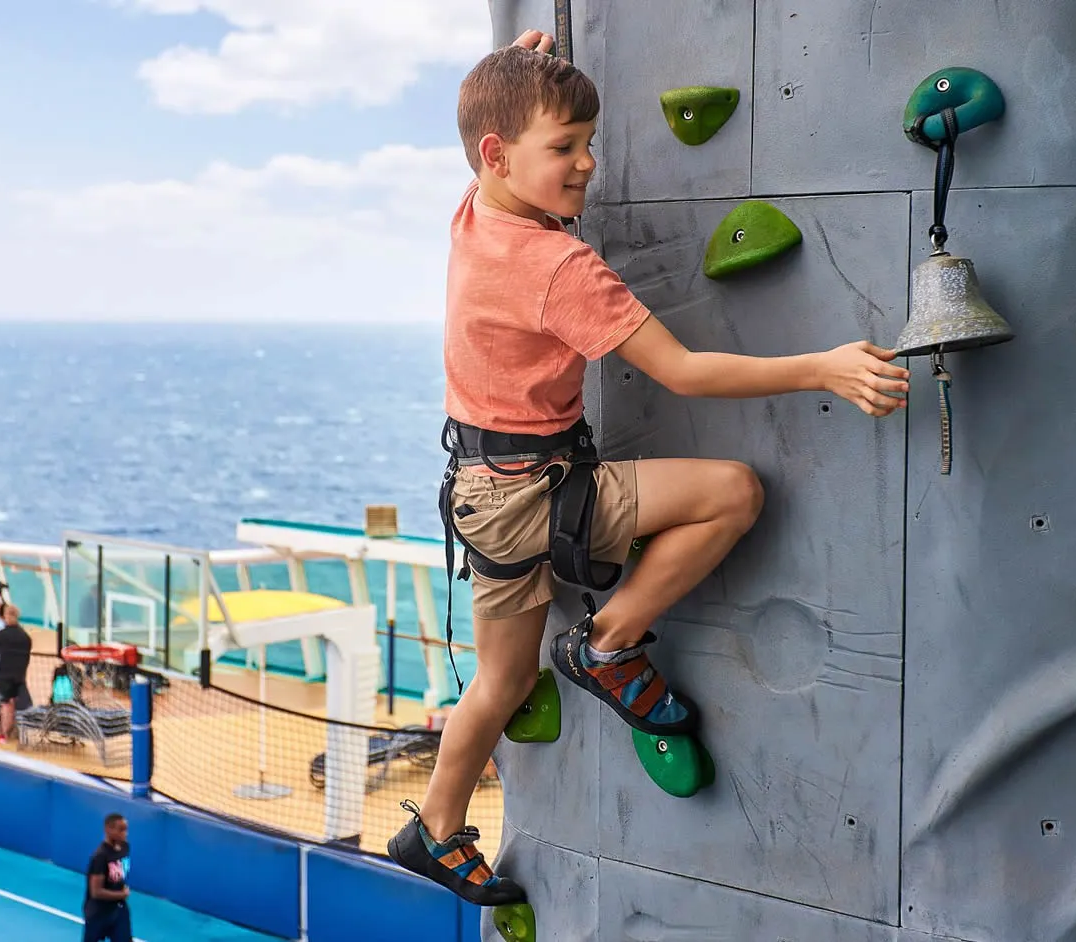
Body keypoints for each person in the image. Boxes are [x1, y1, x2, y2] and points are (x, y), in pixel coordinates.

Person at [384, 30, 911, 907]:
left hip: (482, 494)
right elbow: (684, 371)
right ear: (496, 153)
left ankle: (434, 829)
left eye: (589, 142)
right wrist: (822, 367)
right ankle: (609, 641)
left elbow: (494, 132)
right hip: (539, 496)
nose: (588, 164)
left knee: (504, 680)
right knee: (732, 494)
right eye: (565, 148)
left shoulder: (476, 213)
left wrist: (515, 75)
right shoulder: (557, 265)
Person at [82, 813, 131, 942]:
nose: (125, 834)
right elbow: (96, 892)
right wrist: (121, 894)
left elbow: (118, 875)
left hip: (119, 910)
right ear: (108, 830)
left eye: (126, 829)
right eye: (121, 830)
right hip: (98, 913)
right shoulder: (100, 856)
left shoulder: (125, 848)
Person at [0, 603, 32, 745]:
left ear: (6, 617)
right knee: (15, 701)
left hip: (5, 674)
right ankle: (14, 731)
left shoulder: (1, 635)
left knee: (6, 704)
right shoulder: (26, 637)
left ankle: (5, 734)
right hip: (20, 673)